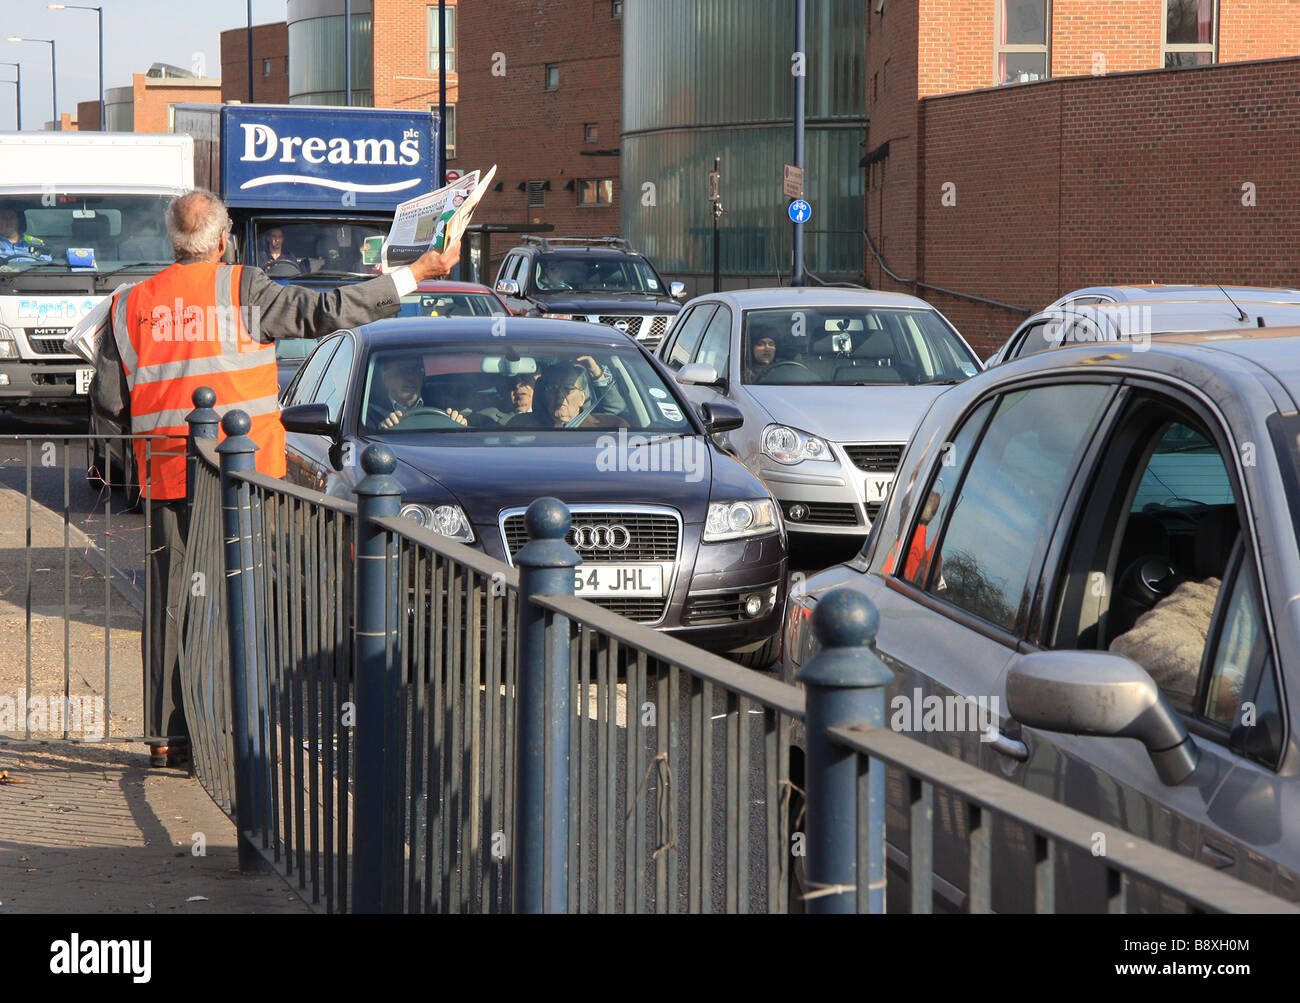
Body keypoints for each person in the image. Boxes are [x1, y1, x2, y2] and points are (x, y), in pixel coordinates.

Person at [90, 187, 461, 770]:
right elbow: (327, 311)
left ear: (174, 241)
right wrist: (413, 275)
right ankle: (236, 737)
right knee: (240, 604)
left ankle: (167, 738)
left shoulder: (130, 303)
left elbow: (110, 404)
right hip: (245, 485)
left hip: (165, 478)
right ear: (222, 239)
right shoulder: (244, 287)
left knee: (170, 606)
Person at [508, 356, 626, 429]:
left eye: (568, 388)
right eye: (553, 388)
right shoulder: (520, 425)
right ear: (544, 395)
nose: (560, 395)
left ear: (582, 397)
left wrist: (596, 371)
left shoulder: (609, 426)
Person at [365, 352, 468, 429]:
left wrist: (458, 426)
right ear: (386, 378)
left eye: (416, 370)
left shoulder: (441, 406)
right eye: (403, 370)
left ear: (422, 377)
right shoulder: (366, 413)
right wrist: (381, 432)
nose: (410, 377)